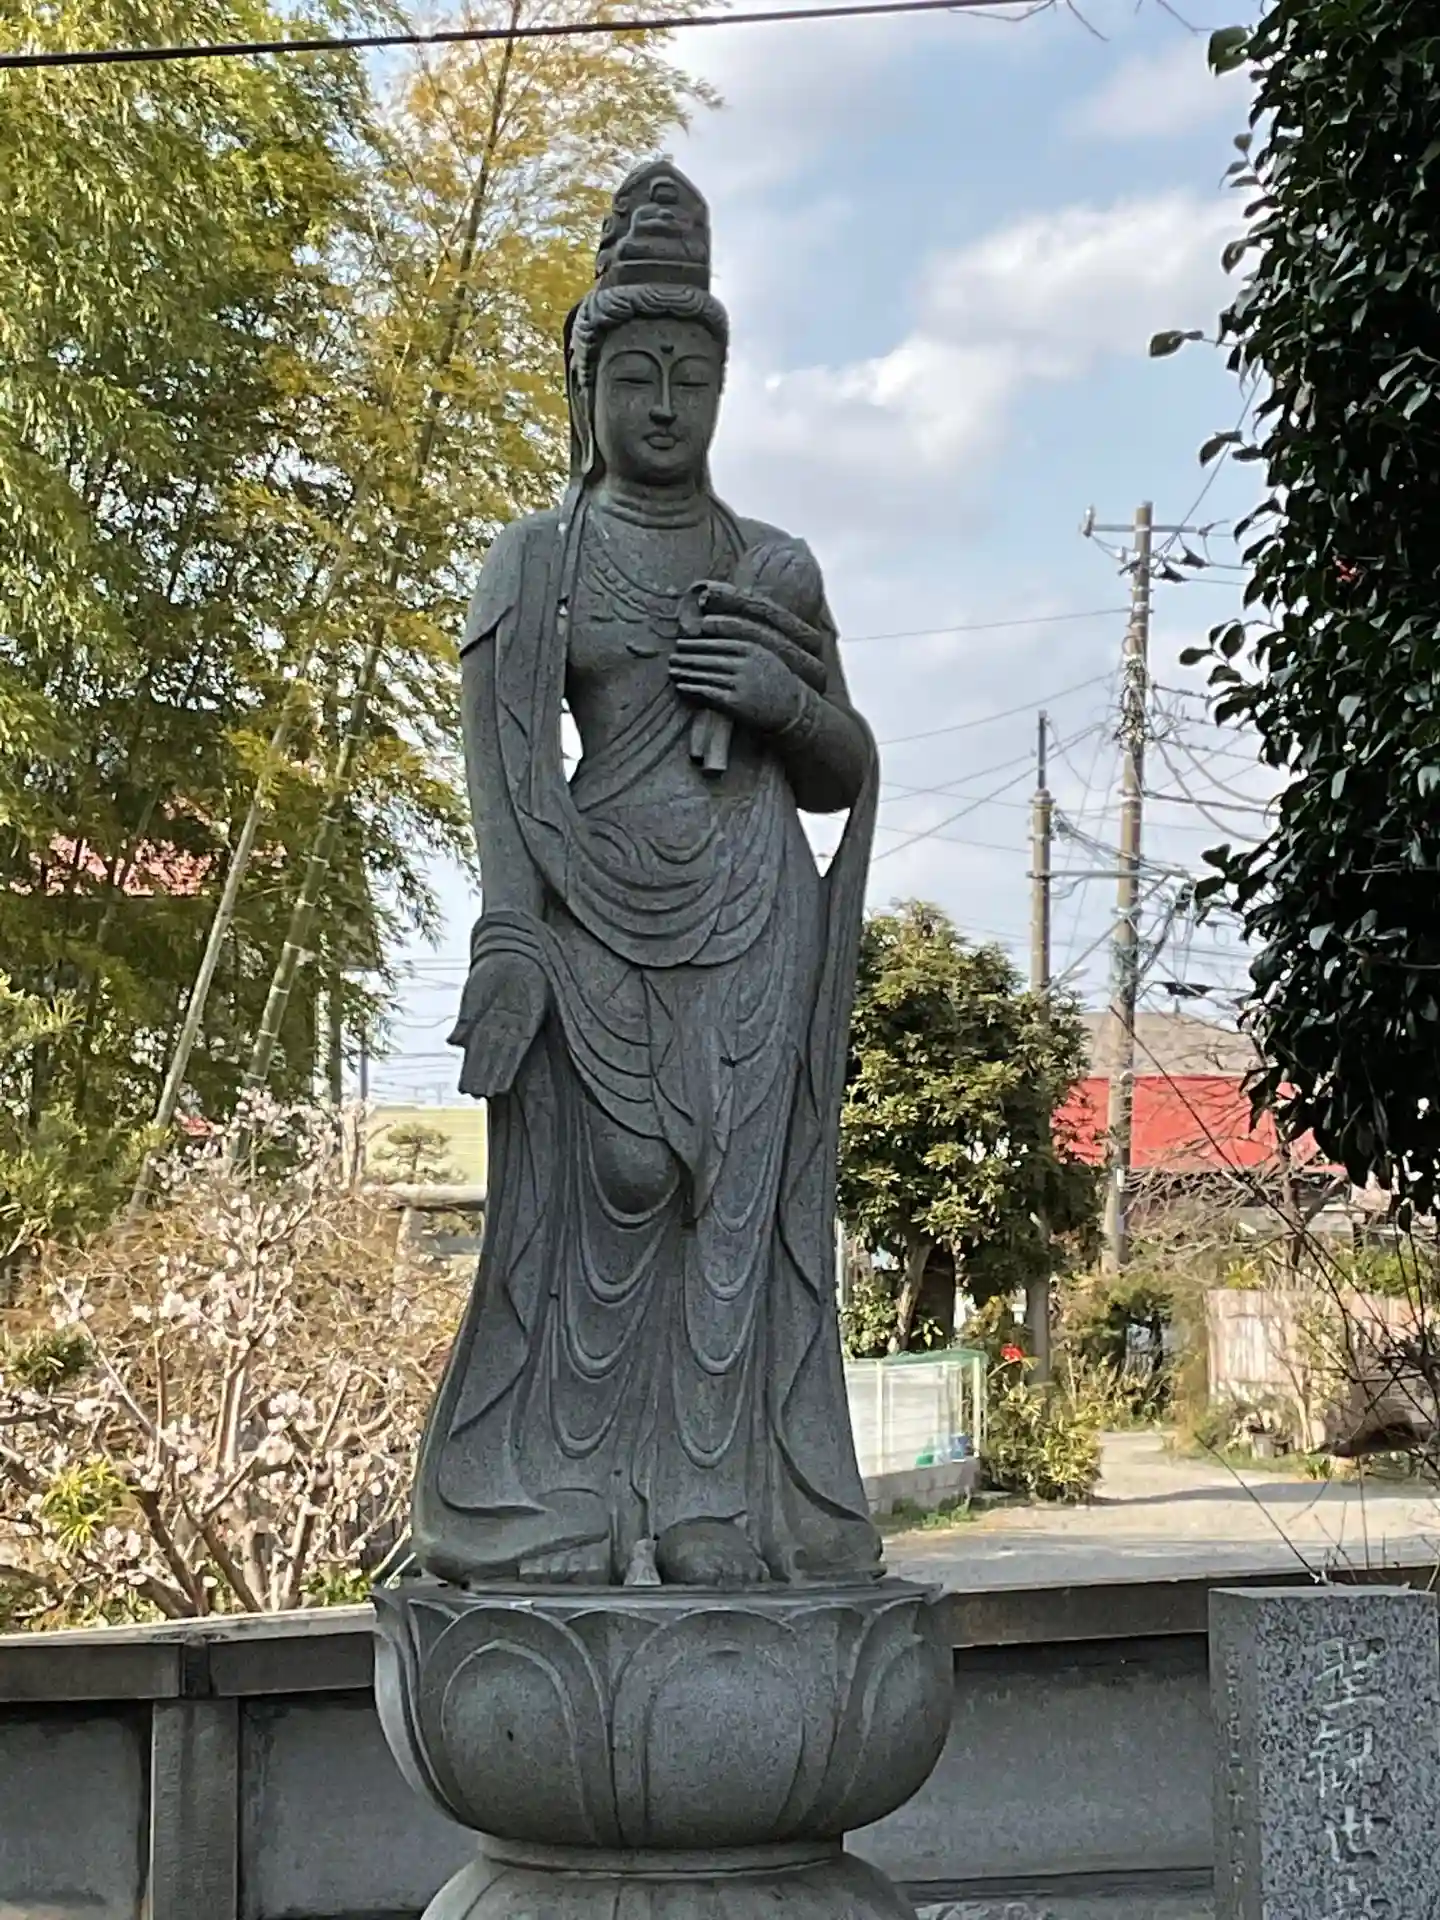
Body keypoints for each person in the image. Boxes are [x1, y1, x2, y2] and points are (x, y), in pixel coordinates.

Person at [411, 161, 883, 1589]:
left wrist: (784, 702)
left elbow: (841, 768)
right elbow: (504, 772)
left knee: (737, 1204)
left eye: (691, 377)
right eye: (636, 377)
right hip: (591, 905)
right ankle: (564, 1487)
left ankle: (711, 1503)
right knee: (607, 1186)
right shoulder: (536, 562)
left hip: (753, 906)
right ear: (587, 389)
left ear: (723, 389)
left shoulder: (773, 562)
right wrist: (509, 935)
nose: (666, 406)